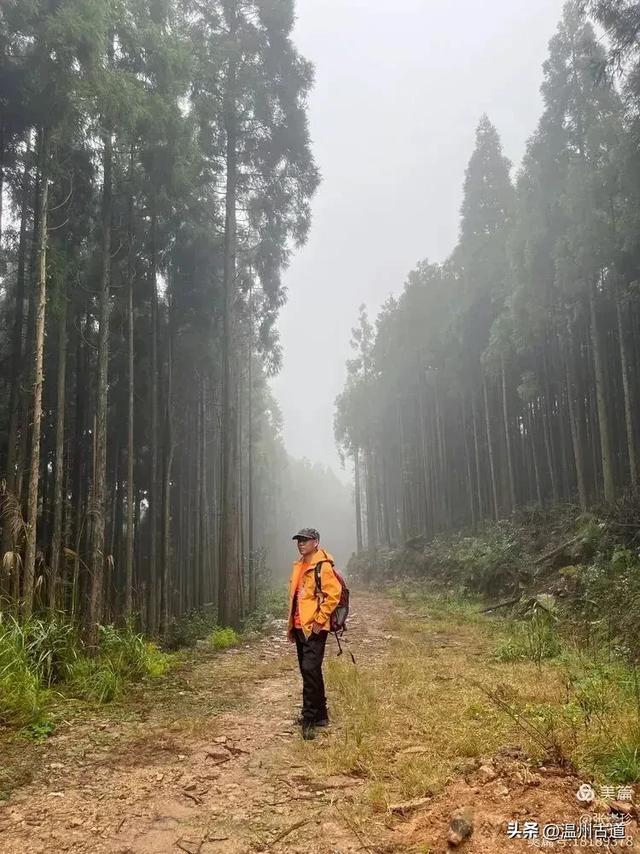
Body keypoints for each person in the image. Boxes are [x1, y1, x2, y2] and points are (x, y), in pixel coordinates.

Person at [287, 527, 341, 740]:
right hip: (300, 626)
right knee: (309, 670)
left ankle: (309, 719)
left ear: (316, 542)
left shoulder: (322, 565)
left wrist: (319, 621)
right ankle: (321, 715)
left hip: (314, 628)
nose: (301, 543)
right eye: (299, 540)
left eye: (305, 540)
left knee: (310, 669)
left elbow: (333, 595)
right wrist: (291, 626)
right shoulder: (299, 565)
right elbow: (295, 598)